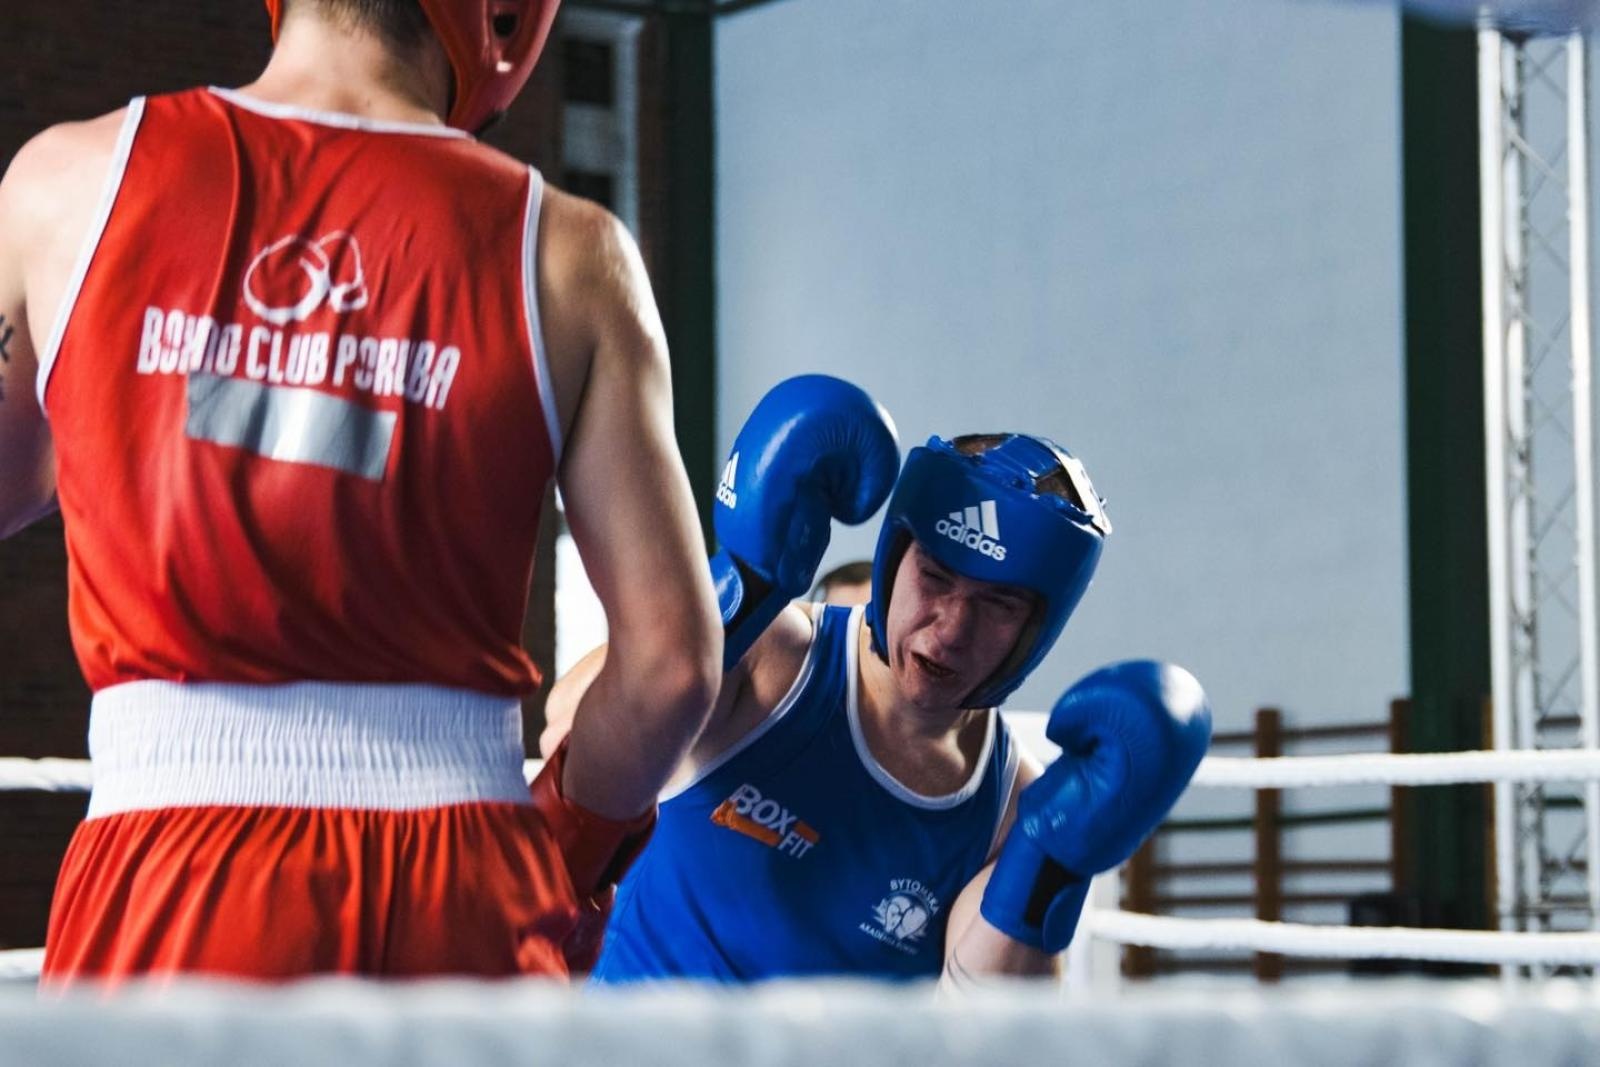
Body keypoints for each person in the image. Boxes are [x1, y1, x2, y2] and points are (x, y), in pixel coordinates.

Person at [0, 0, 728, 983]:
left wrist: (156, 409)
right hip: (464, 875)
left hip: (166, 870)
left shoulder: (68, 184)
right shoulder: (569, 255)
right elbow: (672, 666)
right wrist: (563, 847)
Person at [547, 424, 1212, 983]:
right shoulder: (776, 656)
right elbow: (563, 730)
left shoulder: (1010, 814)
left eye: (999, 605)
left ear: (1037, 629)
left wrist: (1053, 863)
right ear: (895, 559)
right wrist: (737, 589)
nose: (950, 627)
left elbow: (981, 1034)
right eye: (936, 577)